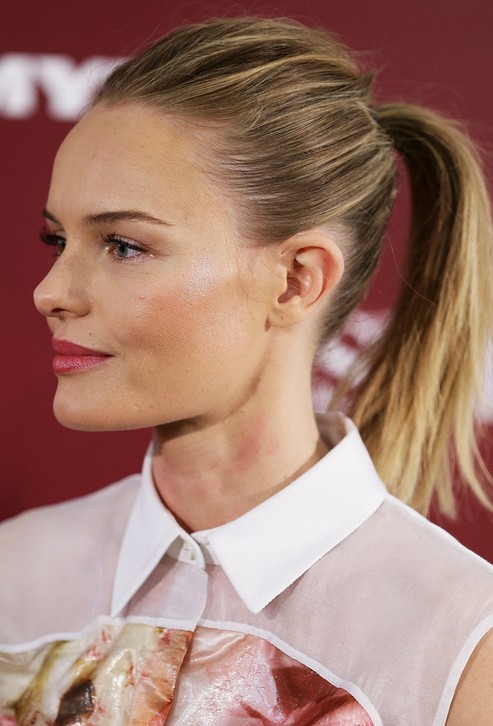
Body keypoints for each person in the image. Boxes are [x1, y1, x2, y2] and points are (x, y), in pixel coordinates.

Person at [1, 16, 492, 725]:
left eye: (123, 246)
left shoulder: (458, 641)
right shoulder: (15, 575)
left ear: (295, 280)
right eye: (57, 240)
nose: (50, 291)